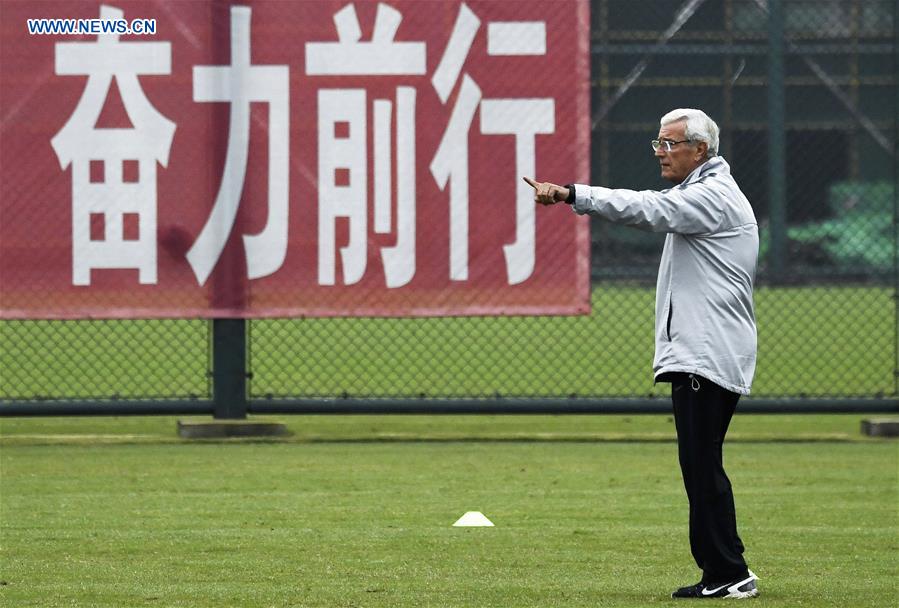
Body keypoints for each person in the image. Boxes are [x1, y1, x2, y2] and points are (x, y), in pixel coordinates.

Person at [525, 108, 760, 600]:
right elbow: (657, 204)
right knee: (700, 464)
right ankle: (725, 568)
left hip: (706, 355)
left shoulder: (712, 197)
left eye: (670, 143)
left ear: (700, 150)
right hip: (704, 353)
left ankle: (728, 571)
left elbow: (650, 210)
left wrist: (573, 193)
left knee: (702, 465)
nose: (660, 152)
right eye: (657, 141)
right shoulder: (701, 192)